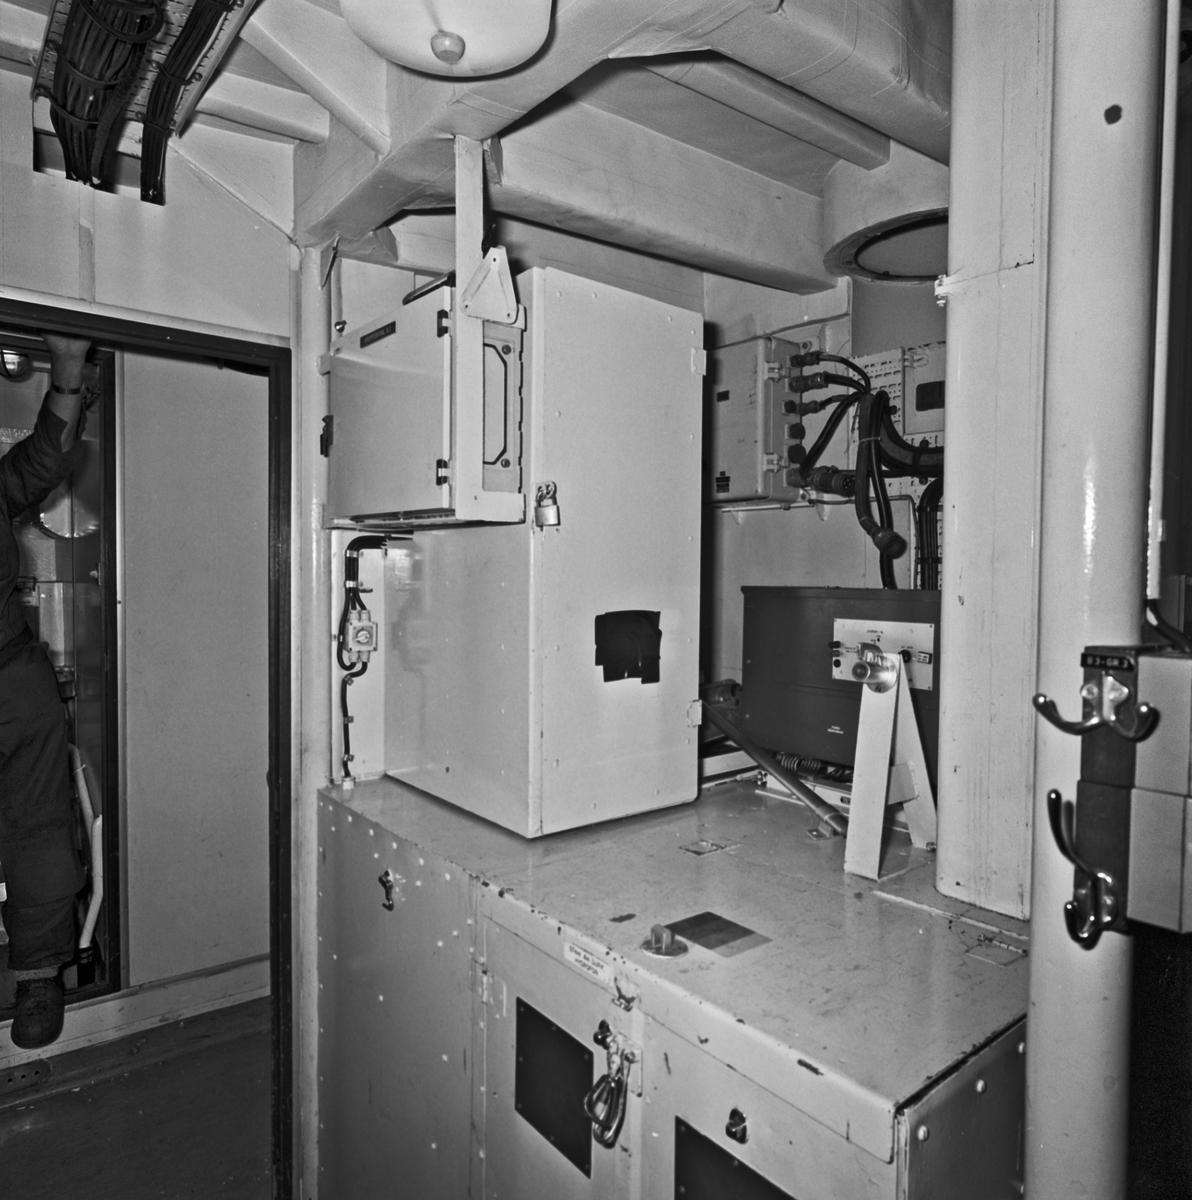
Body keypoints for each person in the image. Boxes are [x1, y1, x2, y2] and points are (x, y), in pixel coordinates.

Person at [0, 333, 91, 1049]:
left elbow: (44, 459)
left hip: (8, 675)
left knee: (37, 826)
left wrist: (66, 369)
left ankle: (38, 974)